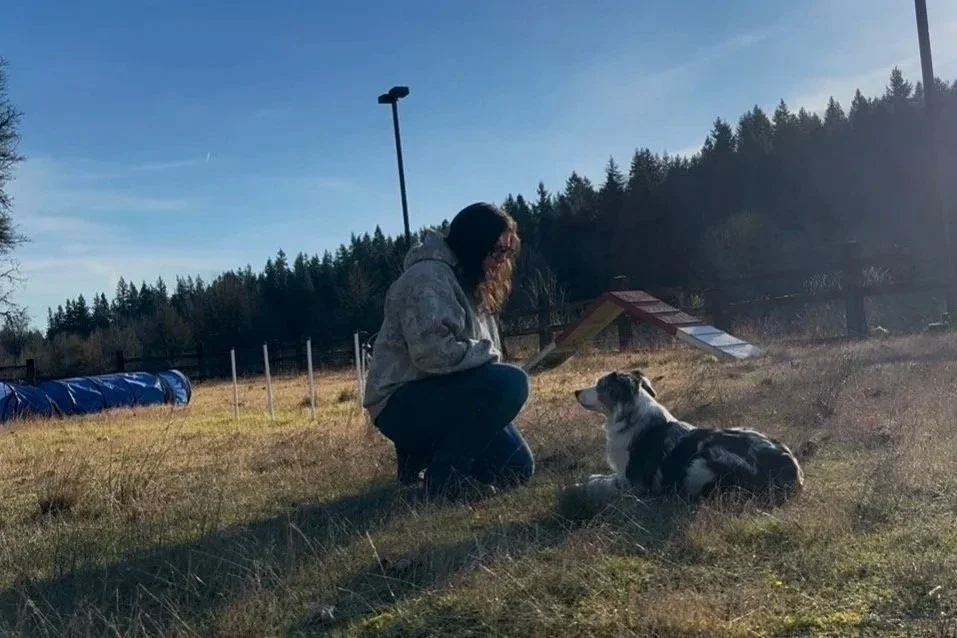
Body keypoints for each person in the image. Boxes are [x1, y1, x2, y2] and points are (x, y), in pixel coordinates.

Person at [362, 202, 535, 500]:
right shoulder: (428, 279)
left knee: (516, 468)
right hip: (400, 401)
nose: (500, 260)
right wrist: (490, 360)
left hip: (439, 392)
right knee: (511, 383)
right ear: (475, 243)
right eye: (496, 250)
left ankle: (421, 457)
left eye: (507, 252)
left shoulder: (467, 280)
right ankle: (444, 478)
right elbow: (433, 354)